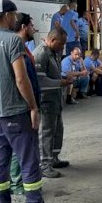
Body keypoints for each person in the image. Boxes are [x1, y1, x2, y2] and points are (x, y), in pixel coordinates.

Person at [0, 0, 60, 203]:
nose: (15, 18)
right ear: (8, 15)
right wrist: (33, 107)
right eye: (14, 14)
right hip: (16, 112)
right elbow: (21, 79)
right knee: (28, 163)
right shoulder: (13, 41)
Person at [8, 12, 40, 203]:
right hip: (22, 105)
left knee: (27, 147)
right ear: (24, 27)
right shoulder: (16, 46)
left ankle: (23, 182)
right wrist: (32, 106)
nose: (33, 28)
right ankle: (18, 185)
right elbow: (20, 79)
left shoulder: (24, 47)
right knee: (19, 148)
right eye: (31, 25)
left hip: (27, 103)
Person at [33, 29, 73, 179]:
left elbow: (53, 75)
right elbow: (40, 81)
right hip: (45, 101)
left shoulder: (53, 53)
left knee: (57, 130)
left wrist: (63, 77)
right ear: (52, 40)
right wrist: (61, 82)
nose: (63, 47)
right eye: (61, 44)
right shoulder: (41, 54)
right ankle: (44, 164)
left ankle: (54, 158)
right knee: (46, 132)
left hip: (55, 100)